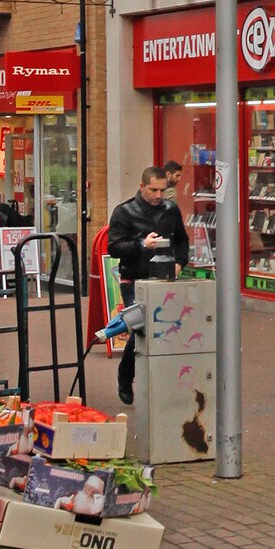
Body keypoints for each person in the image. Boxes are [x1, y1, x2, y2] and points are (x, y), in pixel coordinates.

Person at [107, 165, 189, 406]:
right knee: (141, 328)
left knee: (168, 329)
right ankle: (126, 375)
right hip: (134, 278)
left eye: (162, 190)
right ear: (142, 186)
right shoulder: (124, 212)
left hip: (164, 279)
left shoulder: (170, 209)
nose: (158, 196)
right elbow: (114, 247)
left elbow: (182, 241)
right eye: (153, 190)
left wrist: (180, 263)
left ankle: (163, 383)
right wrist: (142, 244)